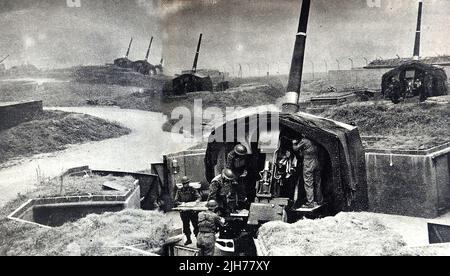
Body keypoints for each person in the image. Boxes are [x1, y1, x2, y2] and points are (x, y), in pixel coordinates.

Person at [292, 137, 323, 209]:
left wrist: (294, 143)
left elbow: (295, 149)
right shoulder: (315, 139)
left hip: (308, 163)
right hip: (316, 162)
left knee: (308, 183)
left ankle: (310, 203)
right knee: (317, 182)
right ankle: (319, 200)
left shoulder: (304, 141)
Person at [174, 176, 201, 245]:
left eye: (187, 183)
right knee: (186, 226)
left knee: (196, 225)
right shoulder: (179, 191)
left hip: (192, 211)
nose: (186, 185)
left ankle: (198, 240)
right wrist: (181, 203)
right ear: (182, 184)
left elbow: (199, 197)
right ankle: (188, 239)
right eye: (184, 183)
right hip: (184, 211)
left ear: (188, 183)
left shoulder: (192, 189)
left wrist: (196, 201)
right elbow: (176, 200)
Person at [226, 144, 249, 209]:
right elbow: (229, 168)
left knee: (242, 190)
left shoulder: (244, 155)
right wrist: (233, 179)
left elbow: (246, 164)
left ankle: (242, 204)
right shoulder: (231, 155)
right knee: (232, 191)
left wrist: (245, 171)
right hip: (233, 172)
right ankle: (231, 207)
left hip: (241, 172)